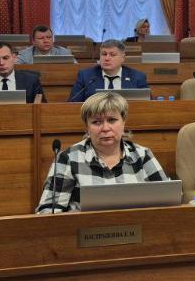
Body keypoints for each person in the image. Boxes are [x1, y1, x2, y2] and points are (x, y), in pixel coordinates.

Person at [35, 91, 168, 213]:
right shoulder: (68, 158)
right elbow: (48, 213)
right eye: (96, 122)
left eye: (112, 120)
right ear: (87, 127)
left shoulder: (143, 155)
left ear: (123, 122)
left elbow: (169, 203)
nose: (105, 128)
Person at [69, 39, 148, 101]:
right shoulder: (85, 76)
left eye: (112, 55)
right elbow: (73, 104)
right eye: (104, 54)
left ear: (123, 58)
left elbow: (149, 104)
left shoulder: (137, 77)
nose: (107, 58)